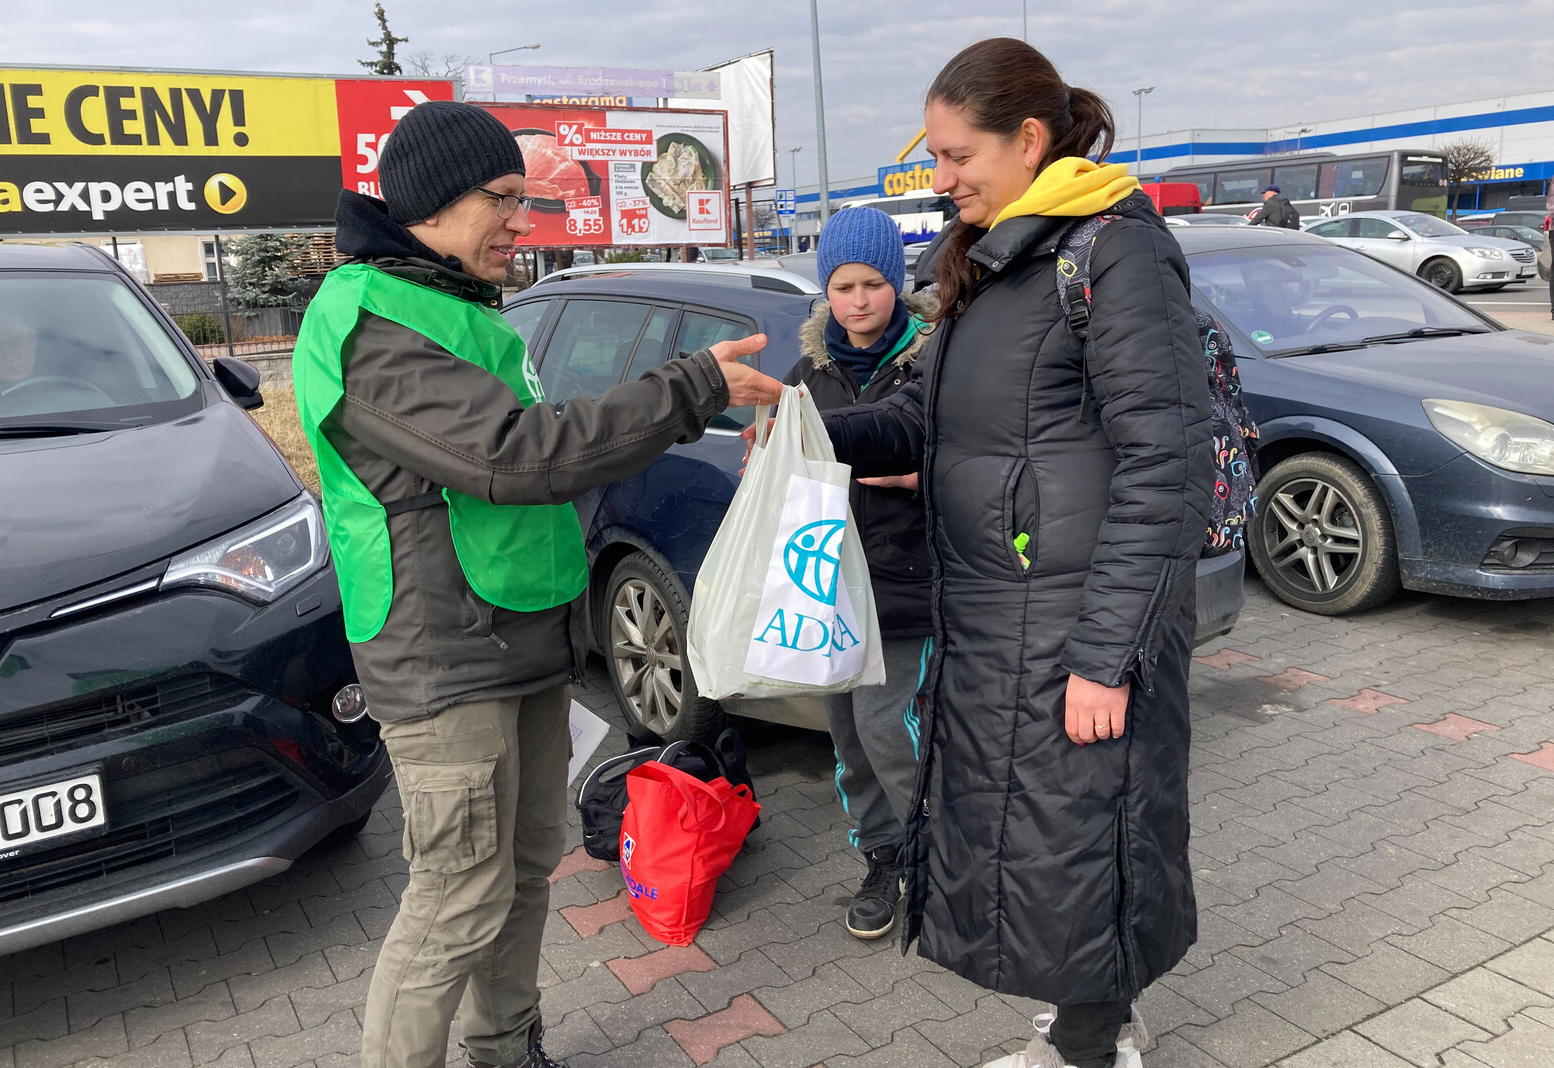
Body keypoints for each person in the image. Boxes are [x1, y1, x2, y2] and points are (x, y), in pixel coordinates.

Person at [292, 101, 781, 1068]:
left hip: (520, 641)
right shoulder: (365, 322)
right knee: (454, 900)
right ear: (433, 201)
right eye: (502, 200)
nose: (522, 223)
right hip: (445, 661)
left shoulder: (453, 303)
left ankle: (507, 1045)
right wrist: (688, 391)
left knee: (517, 878)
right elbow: (516, 458)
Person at [814, 39, 1210, 1068]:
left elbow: (1165, 465)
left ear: (1028, 139)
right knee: (1042, 858)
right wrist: (813, 429)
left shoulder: (1113, 252)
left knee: (1085, 848)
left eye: (954, 155)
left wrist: (1104, 656)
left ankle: (1089, 1050)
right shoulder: (996, 262)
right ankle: (1084, 1030)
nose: (939, 180)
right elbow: (925, 418)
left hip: (1075, 625)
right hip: (998, 621)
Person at [783, 206, 937, 940]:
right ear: (826, 292)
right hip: (831, 592)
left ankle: (933, 858)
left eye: (874, 282)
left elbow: (987, 462)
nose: (860, 300)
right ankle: (882, 858)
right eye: (843, 286)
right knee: (849, 740)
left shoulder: (935, 360)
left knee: (892, 732)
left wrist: (917, 481)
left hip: (910, 587)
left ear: (897, 285)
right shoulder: (807, 373)